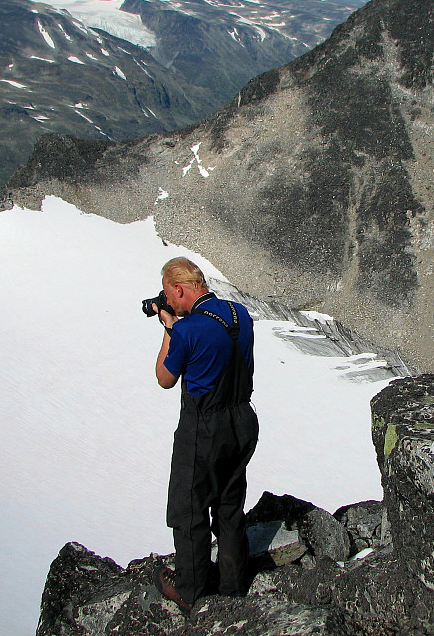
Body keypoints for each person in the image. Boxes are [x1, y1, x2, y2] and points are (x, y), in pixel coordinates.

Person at [154, 257, 258, 613]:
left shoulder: (186, 330)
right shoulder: (239, 314)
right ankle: (232, 585)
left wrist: (169, 328)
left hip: (203, 428)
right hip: (242, 420)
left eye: (169, 295)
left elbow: (165, 378)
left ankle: (191, 591)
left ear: (178, 290)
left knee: (188, 508)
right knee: (229, 507)